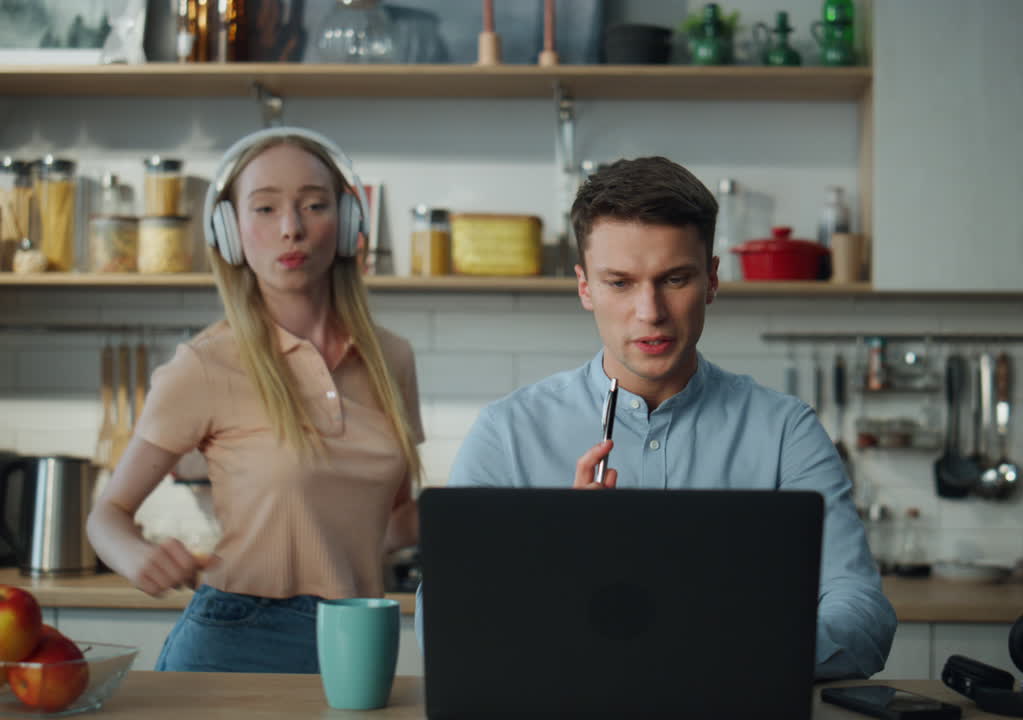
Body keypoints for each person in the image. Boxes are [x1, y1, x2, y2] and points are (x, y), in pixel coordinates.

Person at [416, 156, 896, 679]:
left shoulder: (786, 433)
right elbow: (441, 622)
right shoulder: (507, 434)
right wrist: (555, 561)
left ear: (711, 280)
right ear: (584, 287)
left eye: (674, 278)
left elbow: (863, 615)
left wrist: (733, 653)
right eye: (619, 282)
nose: (650, 311)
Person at [87, 127, 424, 673]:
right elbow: (106, 515)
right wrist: (137, 555)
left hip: (359, 635)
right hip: (236, 637)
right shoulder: (204, 363)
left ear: (346, 222)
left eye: (314, 205)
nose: (291, 228)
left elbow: (395, 522)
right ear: (230, 230)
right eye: (265, 209)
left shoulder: (392, 359)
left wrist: (494, 510)